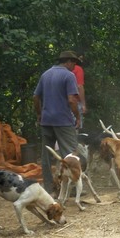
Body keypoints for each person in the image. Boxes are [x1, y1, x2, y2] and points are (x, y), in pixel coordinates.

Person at [33, 51, 81, 194]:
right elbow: (72, 100)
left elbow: (35, 97)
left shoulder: (45, 74)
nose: (75, 66)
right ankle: (72, 189)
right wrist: (77, 116)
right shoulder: (68, 75)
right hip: (63, 121)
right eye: (74, 63)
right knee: (70, 155)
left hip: (47, 120)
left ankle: (49, 189)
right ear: (68, 62)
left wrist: (39, 114)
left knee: (47, 156)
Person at [72, 53, 87, 128]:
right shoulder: (78, 69)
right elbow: (79, 86)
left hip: (60, 104)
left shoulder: (61, 70)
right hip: (74, 102)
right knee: (75, 128)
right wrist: (83, 104)